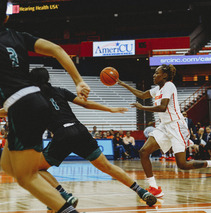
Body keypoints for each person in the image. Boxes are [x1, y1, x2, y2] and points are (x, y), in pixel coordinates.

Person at [0, 2, 90, 212]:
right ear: (6, 18)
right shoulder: (19, 36)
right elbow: (57, 49)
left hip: (22, 105)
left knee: (26, 177)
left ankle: (67, 208)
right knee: (7, 165)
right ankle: (62, 199)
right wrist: (78, 80)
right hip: (33, 102)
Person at [27, 68, 157, 207]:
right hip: (80, 131)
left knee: (36, 169)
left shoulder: (32, 98)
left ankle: (63, 195)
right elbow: (86, 104)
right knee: (108, 167)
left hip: (62, 134)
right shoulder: (60, 90)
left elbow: (13, 112)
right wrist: (110, 109)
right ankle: (142, 191)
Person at [117, 64, 211, 198]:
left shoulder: (169, 86)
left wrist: (143, 108)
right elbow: (141, 94)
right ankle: (154, 187)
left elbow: (163, 107)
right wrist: (122, 84)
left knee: (182, 164)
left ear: (164, 75)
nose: (154, 75)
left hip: (177, 126)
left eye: (157, 73)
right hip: (164, 126)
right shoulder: (157, 89)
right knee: (143, 152)